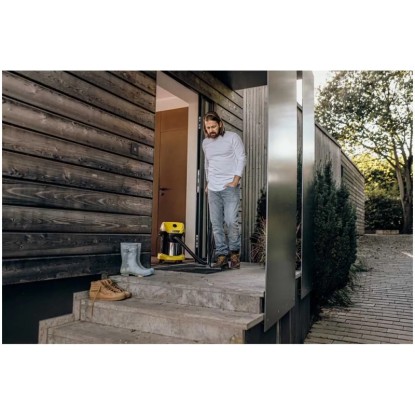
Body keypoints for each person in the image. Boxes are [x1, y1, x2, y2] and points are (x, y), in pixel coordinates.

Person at [202, 111, 247, 269]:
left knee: (231, 221)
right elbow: (208, 164)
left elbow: (242, 157)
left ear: (220, 124)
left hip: (229, 186)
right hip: (213, 188)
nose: (211, 130)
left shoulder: (233, 137)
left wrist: (236, 180)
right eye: (208, 128)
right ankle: (221, 255)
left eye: (213, 127)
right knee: (216, 223)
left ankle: (234, 254)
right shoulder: (205, 143)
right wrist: (208, 183)